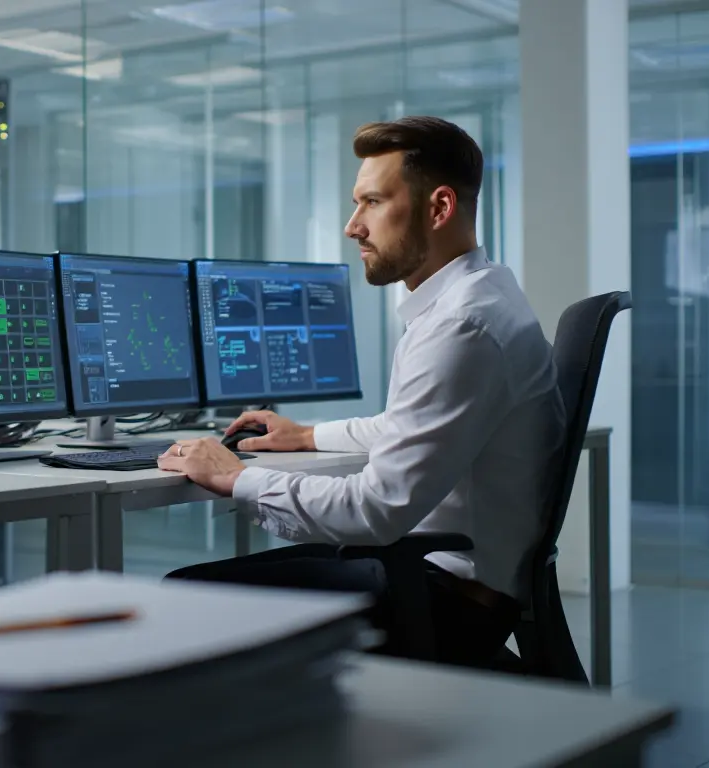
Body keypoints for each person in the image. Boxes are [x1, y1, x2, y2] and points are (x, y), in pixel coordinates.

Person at [157, 115, 564, 667]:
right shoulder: (481, 298)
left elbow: (376, 510)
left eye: (372, 202)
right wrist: (306, 435)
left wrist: (235, 476)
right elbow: (415, 425)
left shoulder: (462, 326)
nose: (353, 226)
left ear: (439, 208)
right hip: (440, 575)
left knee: (176, 596)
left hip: (445, 601)